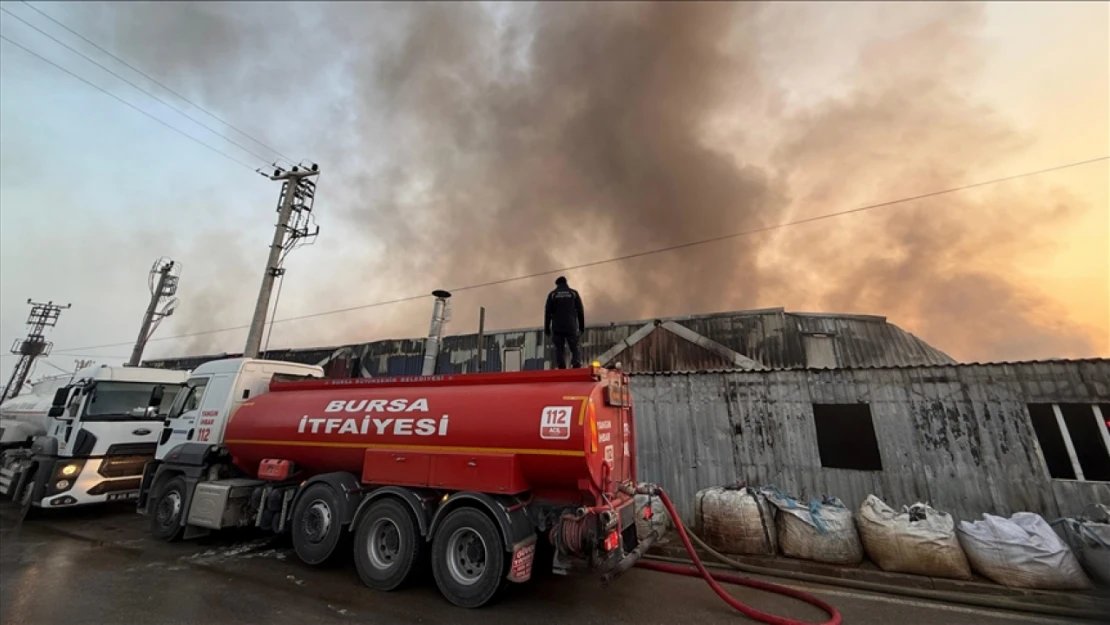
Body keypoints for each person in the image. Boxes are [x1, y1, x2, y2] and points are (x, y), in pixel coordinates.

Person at [544, 276, 585, 369]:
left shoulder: (552, 294)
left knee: (559, 348)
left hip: (557, 327)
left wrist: (547, 328)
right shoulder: (573, 293)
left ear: (557, 284)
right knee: (573, 345)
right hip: (571, 325)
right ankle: (576, 363)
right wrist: (581, 327)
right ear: (566, 283)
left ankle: (561, 366)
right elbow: (580, 311)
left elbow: (547, 313)